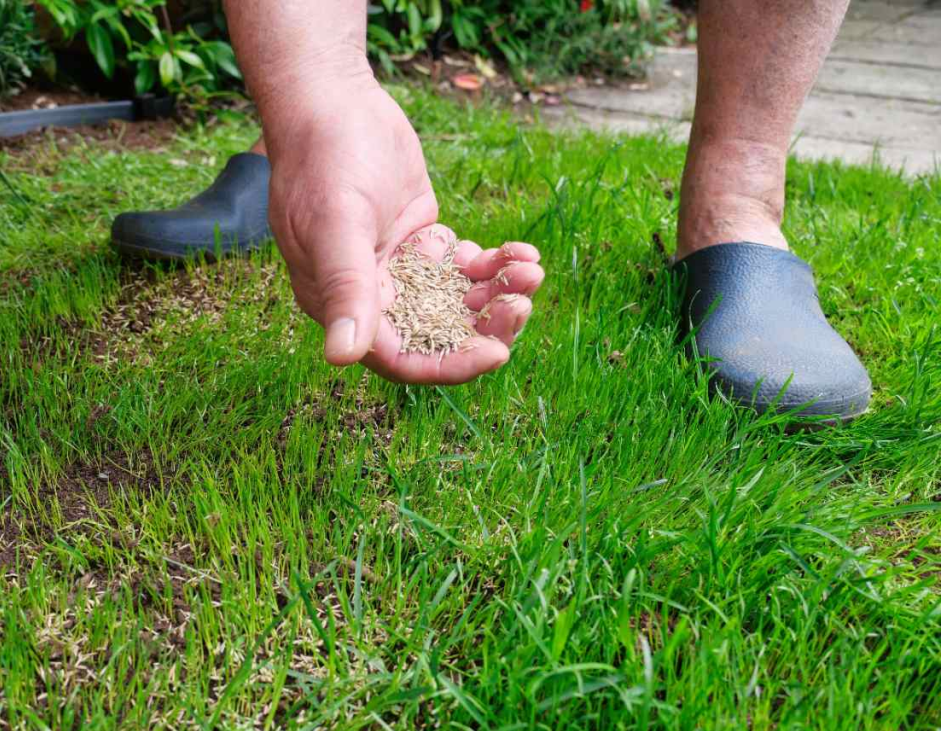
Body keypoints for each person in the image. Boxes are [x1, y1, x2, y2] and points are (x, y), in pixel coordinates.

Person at [112, 0, 870, 420]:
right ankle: (300, 144)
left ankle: (738, 193)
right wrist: (314, 104)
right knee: (314, 104)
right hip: (316, 127)